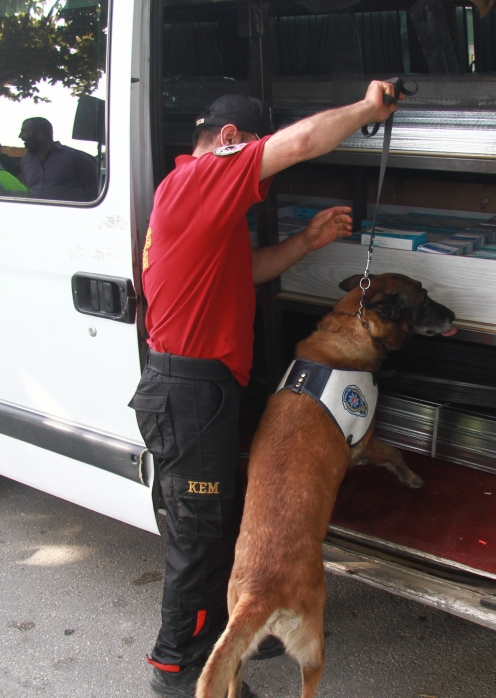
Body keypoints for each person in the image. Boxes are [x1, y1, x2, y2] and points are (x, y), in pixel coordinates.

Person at [131, 82, 400, 698]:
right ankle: (178, 667)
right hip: (188, 389)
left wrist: (305, 244)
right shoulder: (200, 179)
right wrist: (366, 109)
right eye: (256, 152)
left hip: (204, 388)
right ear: (229, 141)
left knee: (216, 522)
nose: (264, 174)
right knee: (197, 538)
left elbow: (244, 272)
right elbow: (299, 142)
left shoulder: (201, 207)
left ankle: (241, 629)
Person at [18, 117, 99, 202]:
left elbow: (91, 193)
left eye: (24, 132)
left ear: (40, 134)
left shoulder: (76, 158)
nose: (20, 136)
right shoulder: (26, 161)